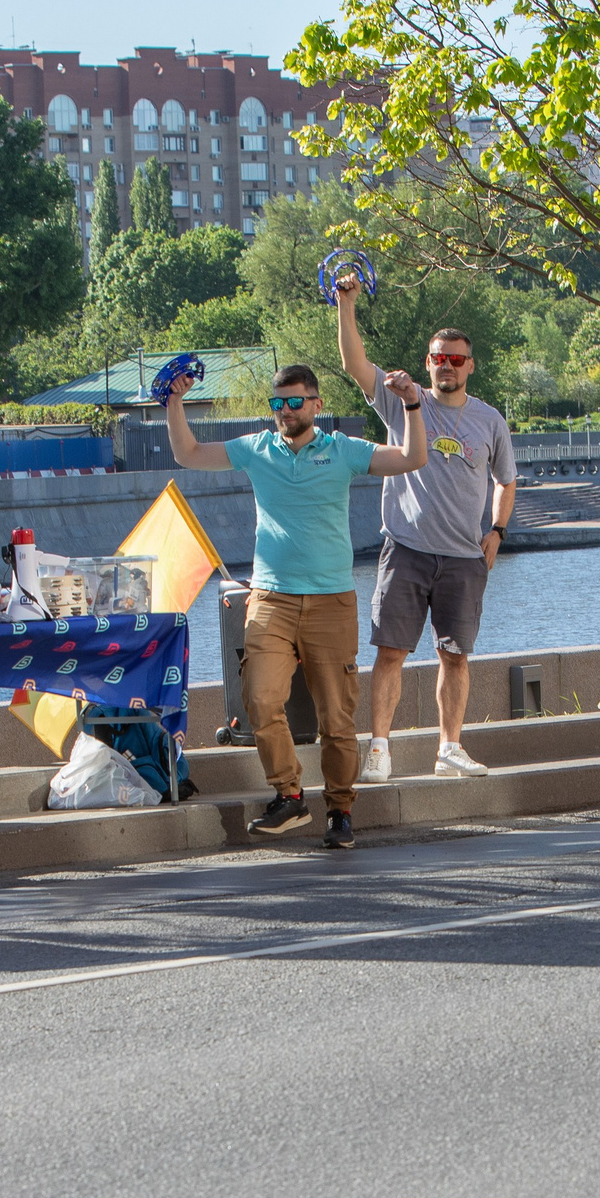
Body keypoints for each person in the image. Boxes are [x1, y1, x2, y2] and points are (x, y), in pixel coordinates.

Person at [166, 362, 426, 850]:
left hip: (331, 601)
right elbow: (188, 452)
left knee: (336, 717)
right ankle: (289, 794)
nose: (285, 411)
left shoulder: (342, 451)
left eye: (294, 402)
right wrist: (174, 401)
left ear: (316, 405)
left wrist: (411, 402)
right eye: (277, 403)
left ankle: (340, 811)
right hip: (270, 596)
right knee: (260, 697)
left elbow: (413, 457)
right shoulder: (257, 450)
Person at [335, 275, 519, 781]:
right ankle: (379, 750)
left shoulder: (489, 421)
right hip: (408, 550)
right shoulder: (402, 399)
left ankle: (450, 748)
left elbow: (507, 481)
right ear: (428, 363)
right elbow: (354, 364)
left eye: (456, 359)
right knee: (391, 653)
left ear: (469, 366)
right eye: (439, 358)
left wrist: (497, 531)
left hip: (464, 558)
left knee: (454, 658)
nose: (447, 366)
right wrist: (346, 306)